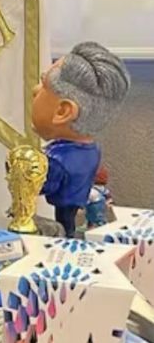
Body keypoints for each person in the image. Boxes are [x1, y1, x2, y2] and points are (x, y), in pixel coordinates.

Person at [30, 41, 130, 237]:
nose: (35, 90)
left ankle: (66, 236)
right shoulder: (93, 149)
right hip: (79, 197)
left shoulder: (57, 159)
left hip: (65, 201)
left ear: (63, 111)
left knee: (64, 226)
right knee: (69, 223)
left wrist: (26, 176)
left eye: (43, 84)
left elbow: (43, 185)